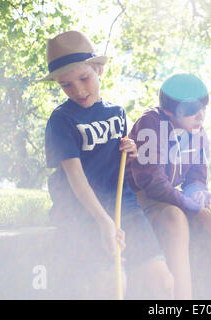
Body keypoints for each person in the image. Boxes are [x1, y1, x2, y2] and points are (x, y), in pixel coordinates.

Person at [41, 30, 173, 299]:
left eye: (84, 78)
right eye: (66, 84)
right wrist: (103, 222)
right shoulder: (61, 120)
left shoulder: (117, 113)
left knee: (162, 281)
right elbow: (76, 179)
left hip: (125, 208)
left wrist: (130, 149)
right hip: (85, 213)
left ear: (98, 70)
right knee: (113, 284)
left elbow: (116, 157)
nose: (78, 89)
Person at [127, 73, 211, 299]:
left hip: (170, 197)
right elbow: (153, 183)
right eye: (191, 109)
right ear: (170, 110)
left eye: (203, 108)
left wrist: (199, 194)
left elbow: (196, 178)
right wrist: (197, 211)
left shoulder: (197, 132)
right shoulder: (151, 123)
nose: (200, 115)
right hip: (140, 199)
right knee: (175, 219)